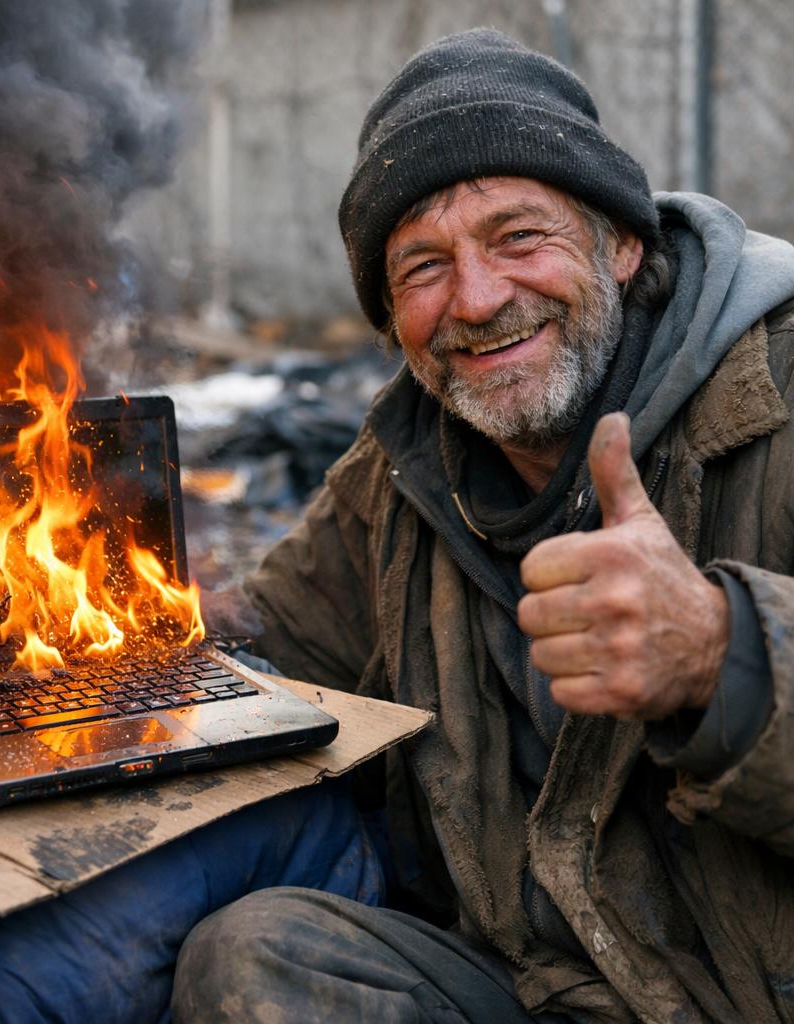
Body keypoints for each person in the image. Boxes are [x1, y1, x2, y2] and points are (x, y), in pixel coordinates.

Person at [170, 28, 794, 1024]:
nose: (476, 298)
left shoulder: (777, 387)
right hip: (539, 986)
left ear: (621, 245)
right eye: (423, 266)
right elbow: (266, 644)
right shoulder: (405, 466)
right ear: (390, 320)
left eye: (519, 237)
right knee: (254, 958)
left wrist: (726, 657)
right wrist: (61, 616)